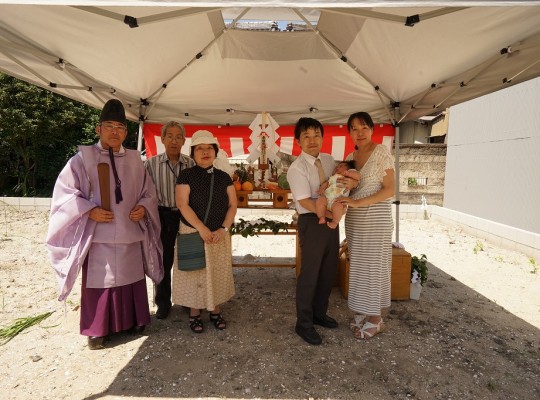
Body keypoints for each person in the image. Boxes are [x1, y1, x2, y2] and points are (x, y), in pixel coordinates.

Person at [46, 99, 163, 350]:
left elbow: (149, 193)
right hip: (99, 236)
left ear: (126, 132)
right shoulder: (81, 160)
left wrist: (143, 207)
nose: (114, 131)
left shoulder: (135, 161)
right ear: (98, 129)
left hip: (130, 233)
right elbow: (65, 194)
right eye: (108, 126)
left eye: (120, 127)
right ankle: (97, 330)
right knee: (102, 280)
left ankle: (135, 321)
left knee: (131, 276)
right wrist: (89, 211)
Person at [287, 117, 358, 345]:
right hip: (312, 221)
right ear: (298, 141)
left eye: (316, 135)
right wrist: (329, 215)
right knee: (310, 273)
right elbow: (306, 201)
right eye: (306, 136)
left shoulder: (328, 160)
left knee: (328, 270)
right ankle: (303, 323)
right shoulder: (296, 168)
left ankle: (319, 313)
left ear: (322, 137)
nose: (312, 140)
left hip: (330, 222)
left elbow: (341, 180)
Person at [172, 130, 237, 333]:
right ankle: (194, 313)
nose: (205, 152)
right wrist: (200, 228)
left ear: (216, 151)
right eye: (199, 148)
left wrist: (223, 228)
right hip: (192, 231)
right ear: (193, 153)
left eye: (209, 148)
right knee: (194, 273)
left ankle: (215, 311)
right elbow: (182, 204)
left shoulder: (224, 177)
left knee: (217, 271)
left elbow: (233, 205)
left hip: (218, 233)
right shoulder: (186, 175)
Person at [338, 111, 395, 340]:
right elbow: (349, 187)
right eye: (354, 128)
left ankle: (376, 318)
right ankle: (365, 311)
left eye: (364, 128)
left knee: (374, 267)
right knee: (360, 268)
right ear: (349, 132)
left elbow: (390, 189)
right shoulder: (352, 155)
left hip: (376, 217)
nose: (359, 133)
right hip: (355, 220)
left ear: (372, 129)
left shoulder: (381, 152)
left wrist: (358, 202)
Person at [144, 121, 194, 319]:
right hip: (162, 215)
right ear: (162, 139)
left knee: (188, 258)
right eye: (170, 136)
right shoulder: (151, 164)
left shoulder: (190, 164)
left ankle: (188, 301)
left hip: (186, 215)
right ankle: (163, 303)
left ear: (183, 140)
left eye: (178, 137)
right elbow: (144, 193)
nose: (174, 141)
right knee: (163, 260)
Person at [315, 160, 360, 229]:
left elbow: (358, 176)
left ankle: (335, 222)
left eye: (341, 166)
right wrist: (322, 188)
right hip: (327, 199)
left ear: (349, 169)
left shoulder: (348, 177)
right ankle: (321, 216)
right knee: (320, 200)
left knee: (338, 207)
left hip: (338, 200)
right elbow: (326, 183)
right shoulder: (332, 177)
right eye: (337, 167)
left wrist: (349, 173)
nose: (337, 168)